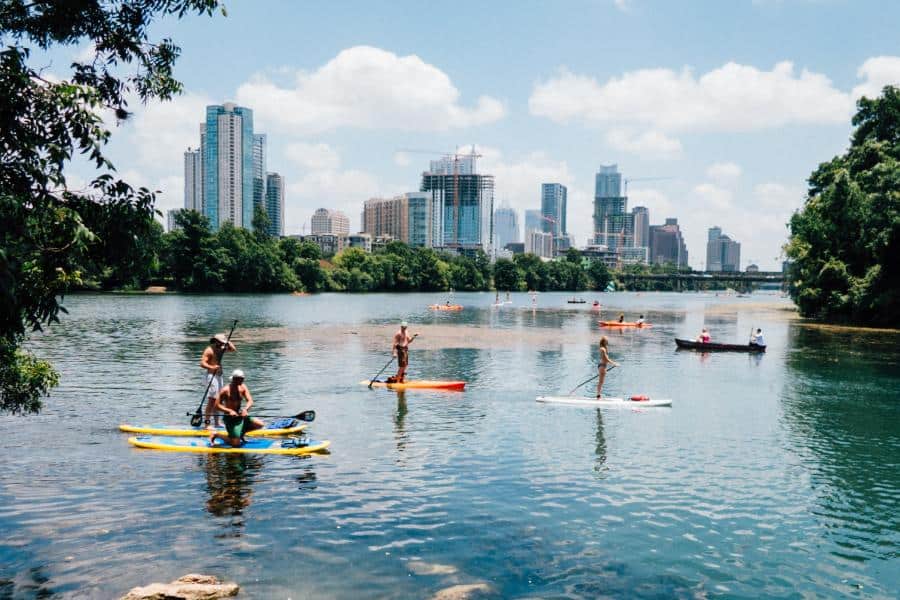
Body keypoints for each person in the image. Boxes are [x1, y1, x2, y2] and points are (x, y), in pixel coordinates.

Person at [209, 369, 262, 448]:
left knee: (259, 424)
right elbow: (216, 405)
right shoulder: (225, 390)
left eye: (243, 379)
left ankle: (240, 434)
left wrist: (245, 409)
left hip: (240, 416)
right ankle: (217, 434)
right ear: (234, 379)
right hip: (230, 418)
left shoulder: (243, 387)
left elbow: (250, 401)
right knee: (236, 444)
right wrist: (229, 411)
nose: (243, 381)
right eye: (241, 379)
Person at [200, 332, 236, 429]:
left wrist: (228, 342)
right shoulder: (209, 350)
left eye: (223, 342)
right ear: (215, 341)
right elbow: (202, 363)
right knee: (212, 400)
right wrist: (212, 366)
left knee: (219, 400)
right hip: (211, 376)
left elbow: (233, 349)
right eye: (220, 342)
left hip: (219, 376)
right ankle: (207, 424)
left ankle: (217, 422)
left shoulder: (221, 348)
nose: (222, 344)